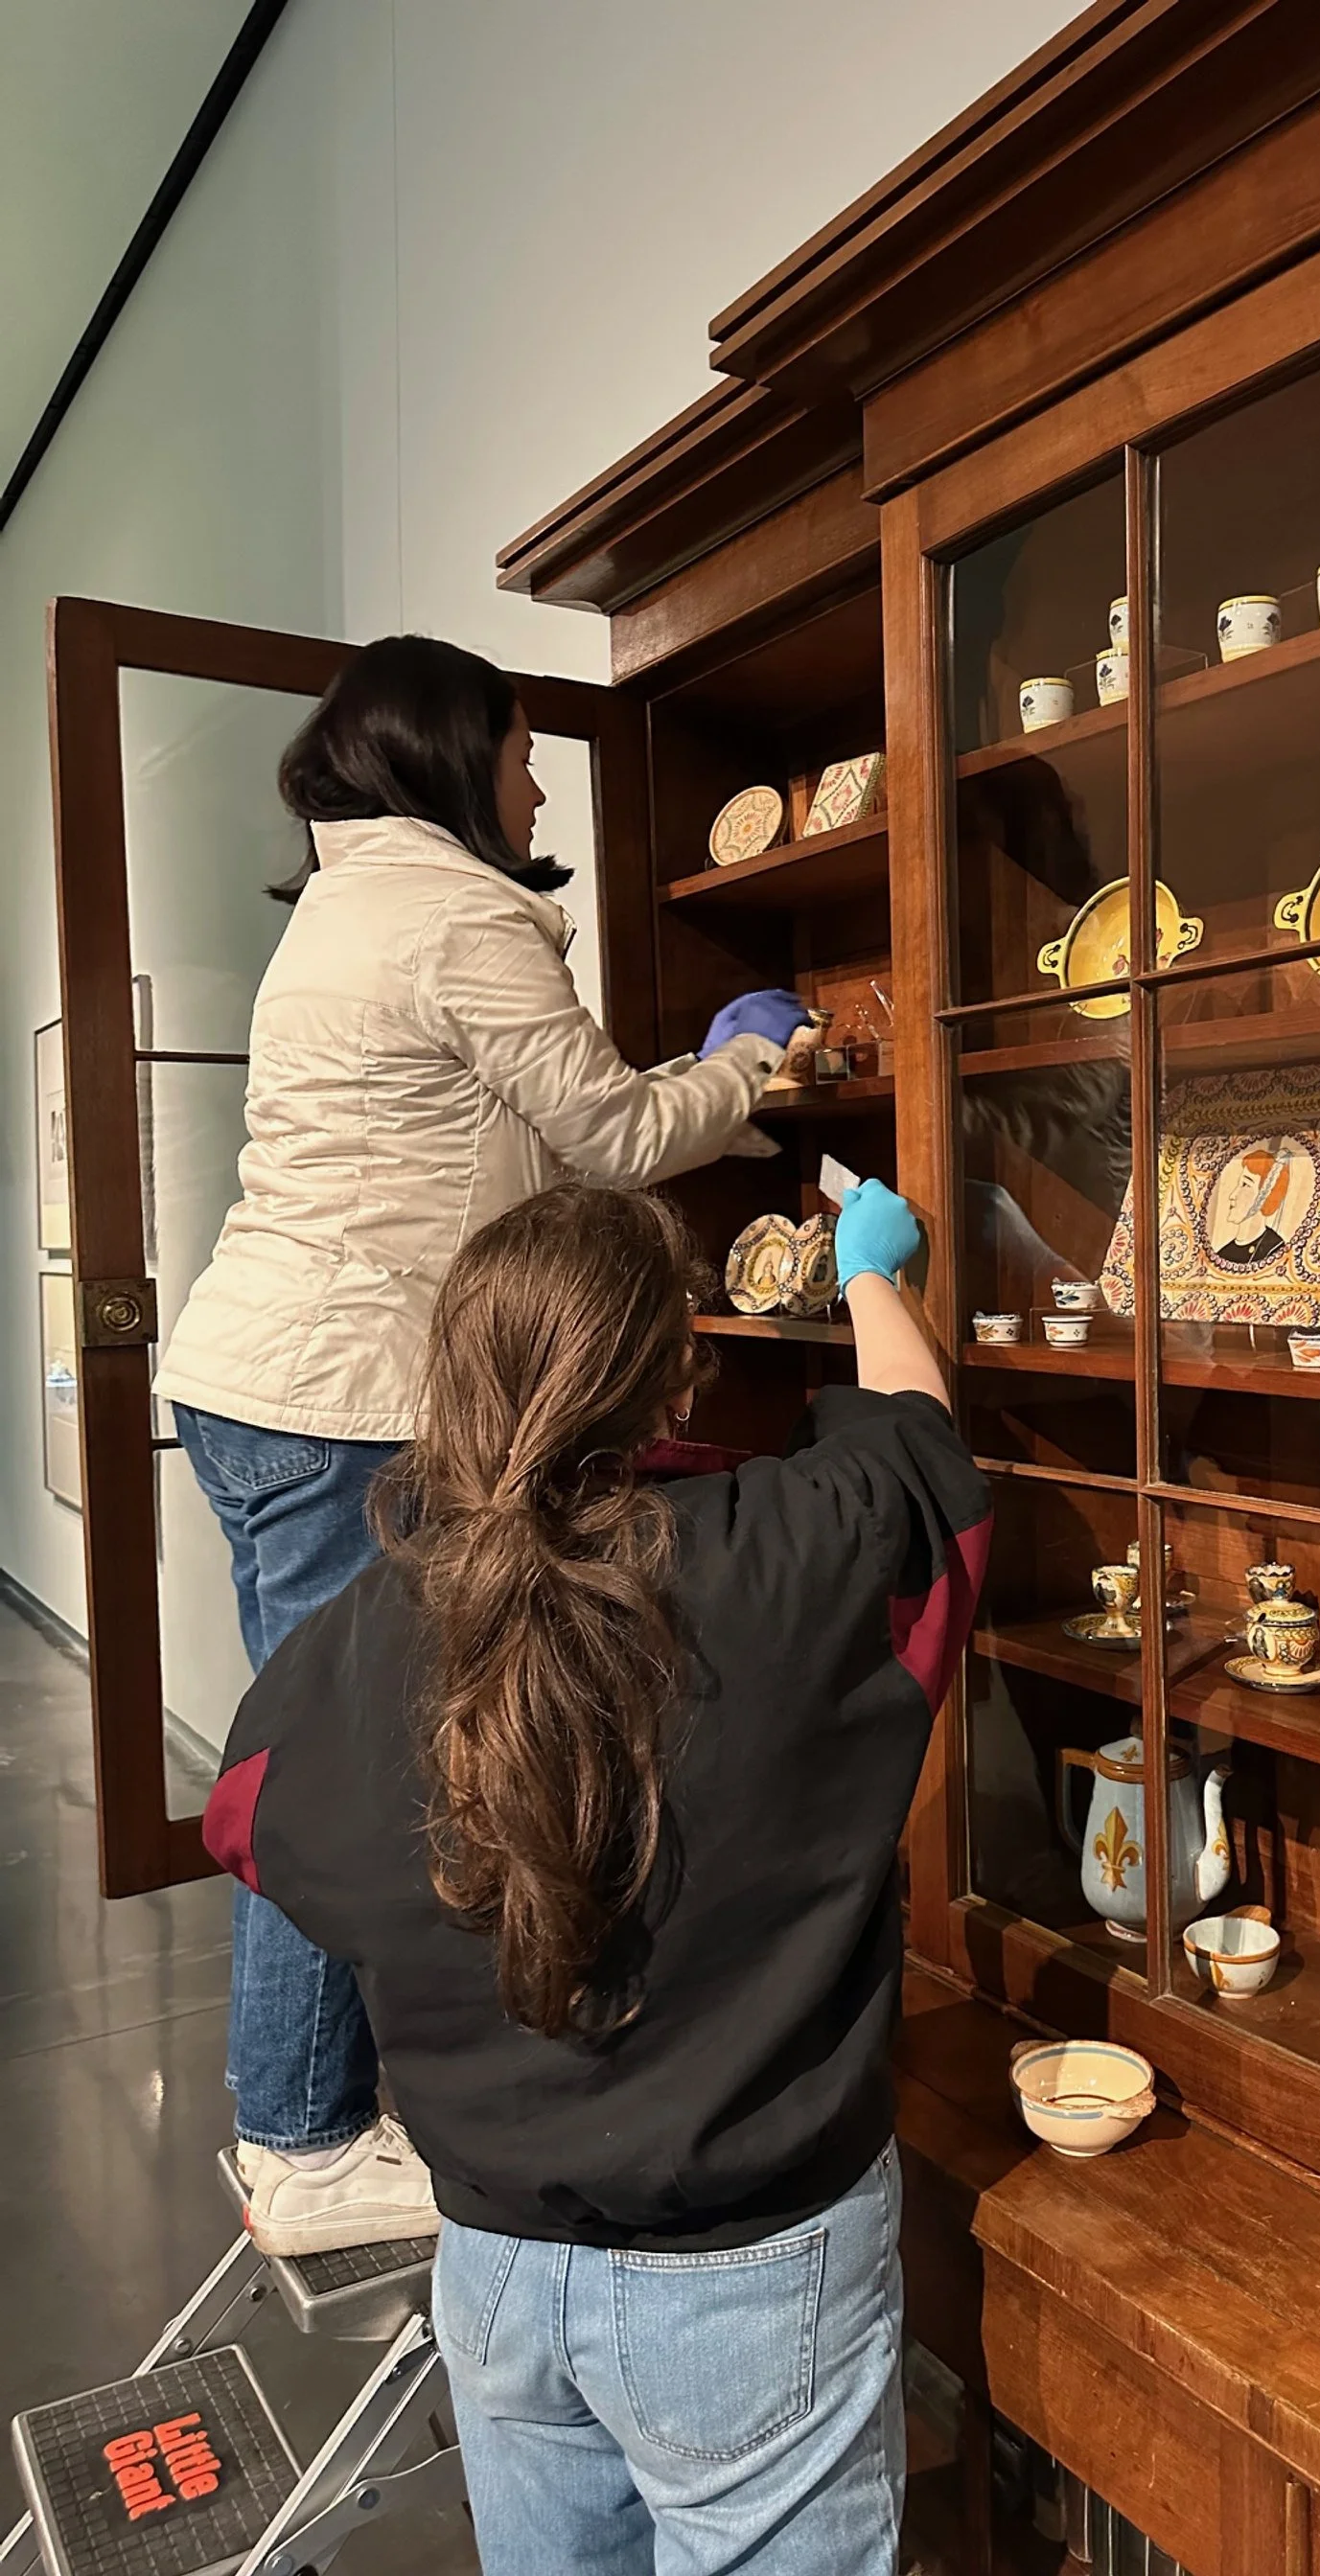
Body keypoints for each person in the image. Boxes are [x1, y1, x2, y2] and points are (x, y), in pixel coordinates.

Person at [202, 1175, 989, 2575]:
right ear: (681, 1379)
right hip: (758, 2275)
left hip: (496, 2269)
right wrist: (870, 1269)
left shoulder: (377, 1628)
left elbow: (253, 1831)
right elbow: (922, 1454)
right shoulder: (790, 1553)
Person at [155, 633, 812, 2255]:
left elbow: (519, 1120)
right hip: (342, 1399)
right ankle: (300, 2144)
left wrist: (691, 1076)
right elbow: (612, 1140)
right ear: (457, 753)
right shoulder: (456, 910)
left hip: (257, 1380)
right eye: (523, 750)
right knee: (338, 1760)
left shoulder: (350, 899)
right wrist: (745, 1067)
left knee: (312, 1729)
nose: (533, 779)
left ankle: (319, 2098)